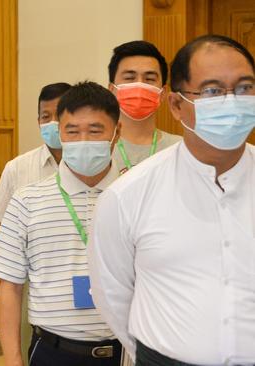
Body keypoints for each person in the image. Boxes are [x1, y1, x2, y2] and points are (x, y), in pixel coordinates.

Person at [88, 35, 255, 365]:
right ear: (177, 105)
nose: (231, 102)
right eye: (211, 91)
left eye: (244, 88)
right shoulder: (128, 194)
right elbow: (113, 294)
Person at [0, 82, 122, 366]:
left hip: (125, 352)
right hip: (53, 351)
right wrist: (12, 359)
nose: (83, 139)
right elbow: (9, 288)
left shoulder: (134, 196)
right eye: (72, 131)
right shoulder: (26, 200)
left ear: (116, 132)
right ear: (60, 132)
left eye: (95, 130)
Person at [0, 82, 70, 364]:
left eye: (59, 115)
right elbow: (2, 229)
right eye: (46, 117)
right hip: (31, 287)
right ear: (38, 121)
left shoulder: (97, 164)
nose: (52, 123)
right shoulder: (18, 168)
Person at [108, 40, 181, 174]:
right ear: (112, 89)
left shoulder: (180, 149)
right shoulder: (99, 148)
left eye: (150, 79)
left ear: (163, 93)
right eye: (130, 78)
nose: (139, 85)